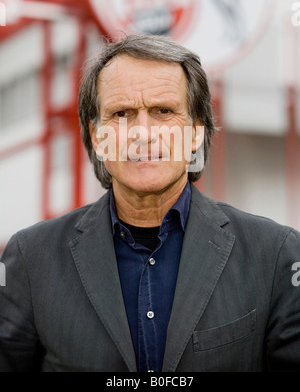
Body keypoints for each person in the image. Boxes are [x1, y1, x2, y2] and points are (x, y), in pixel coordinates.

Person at [0, 34, 300, 373]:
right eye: (122, 113)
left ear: (196, 132)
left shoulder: (275, 255)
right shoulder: (30, 258)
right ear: (97, 136)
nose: (143, 133)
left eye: (163, 111)